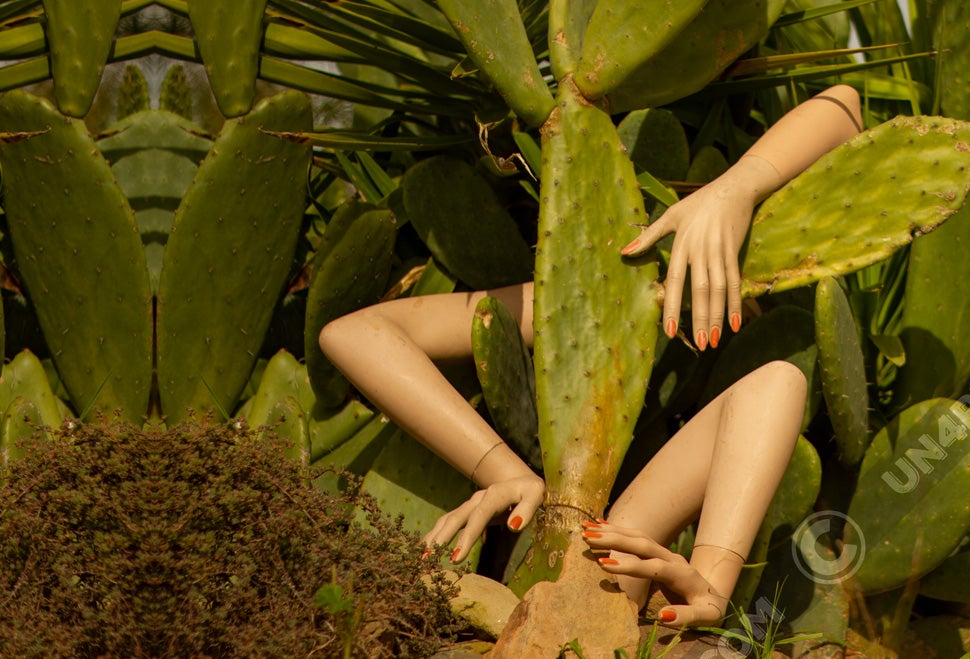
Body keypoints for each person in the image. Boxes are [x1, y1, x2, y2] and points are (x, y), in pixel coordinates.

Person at [317, 85, 864, 627]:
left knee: (780, 380)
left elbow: (844, 106)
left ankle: (704, 597)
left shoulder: (661, 293)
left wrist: (733, 191)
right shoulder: (571, 304)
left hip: (599, 570)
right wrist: (506, 473)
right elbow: (353, 334)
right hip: (548, 567)